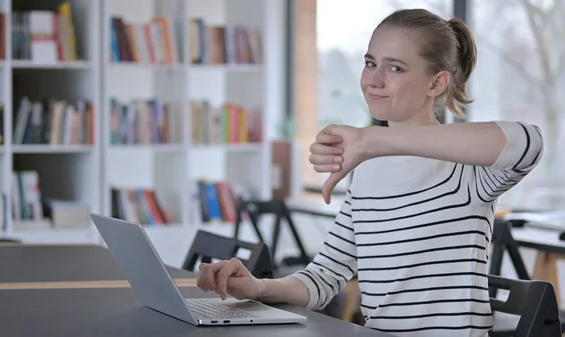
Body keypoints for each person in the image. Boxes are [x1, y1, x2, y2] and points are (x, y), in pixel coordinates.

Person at [195, 8, 544, 337]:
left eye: (395, 68)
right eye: (370, 62)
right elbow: (323, 277)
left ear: (436, 83)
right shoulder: (367, 172)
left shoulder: (467, 171)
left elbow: (529, 142)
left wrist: (370, 139)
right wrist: (257, 287)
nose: (373, 80)